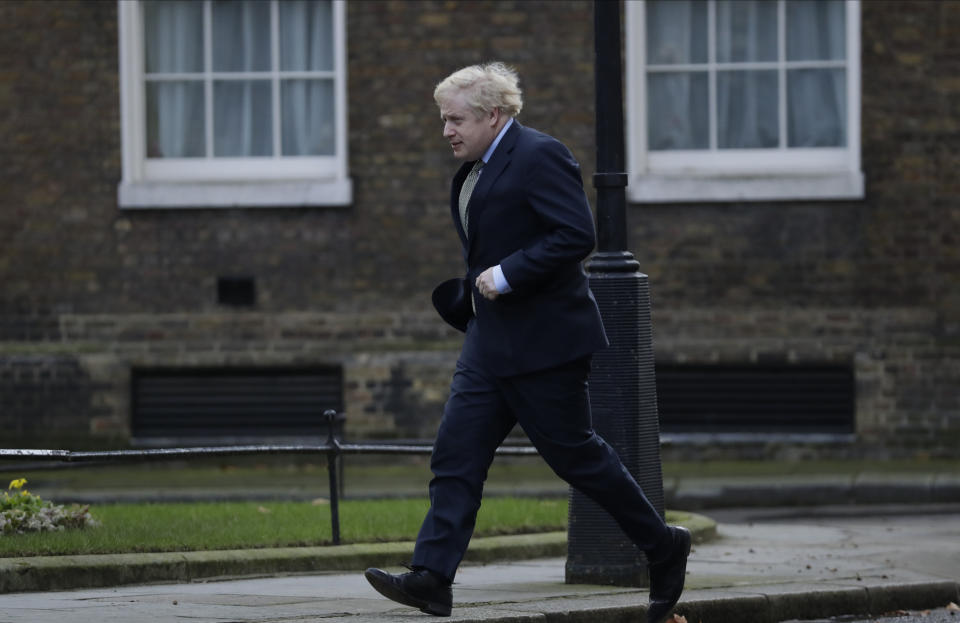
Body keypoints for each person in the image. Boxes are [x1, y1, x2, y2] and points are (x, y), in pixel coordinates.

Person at [364, 62, 690, 622]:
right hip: (489, 344)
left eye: (455, 119)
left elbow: (576, 233)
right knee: (456, 455)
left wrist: (508, 273)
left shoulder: (540, 154)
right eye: (443, 119)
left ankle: (662, 545)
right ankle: (432, 578)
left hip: (546, 346)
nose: (446, 130)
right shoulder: (474, 166)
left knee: (577, 459)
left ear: (494, 115)